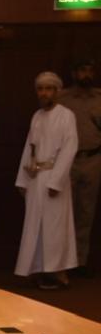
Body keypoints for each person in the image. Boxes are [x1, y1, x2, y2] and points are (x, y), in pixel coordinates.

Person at [15, 71, 78, 290]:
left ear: (57, 91)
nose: (44, 93)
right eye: (40, 89)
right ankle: (37, 269)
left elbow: (70, 148)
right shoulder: (37, 116)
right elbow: (29, 148)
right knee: (35, 226)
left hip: (53, 180)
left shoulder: (66, 116)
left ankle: (57, 273)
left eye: (49, 89)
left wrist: (56, 181)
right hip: (35, 179)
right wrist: (23, 180)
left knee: (54, 227)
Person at [58, 57, 101, 270]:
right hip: (67, 161)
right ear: (74, 73)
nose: (86, 75)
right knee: (65, 211)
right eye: (82, 70)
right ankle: (64, 261)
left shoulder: (99, 98)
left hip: (92, 159)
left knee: (86, 211)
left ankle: (80, 261)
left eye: (90, 70)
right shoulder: (63, 98)